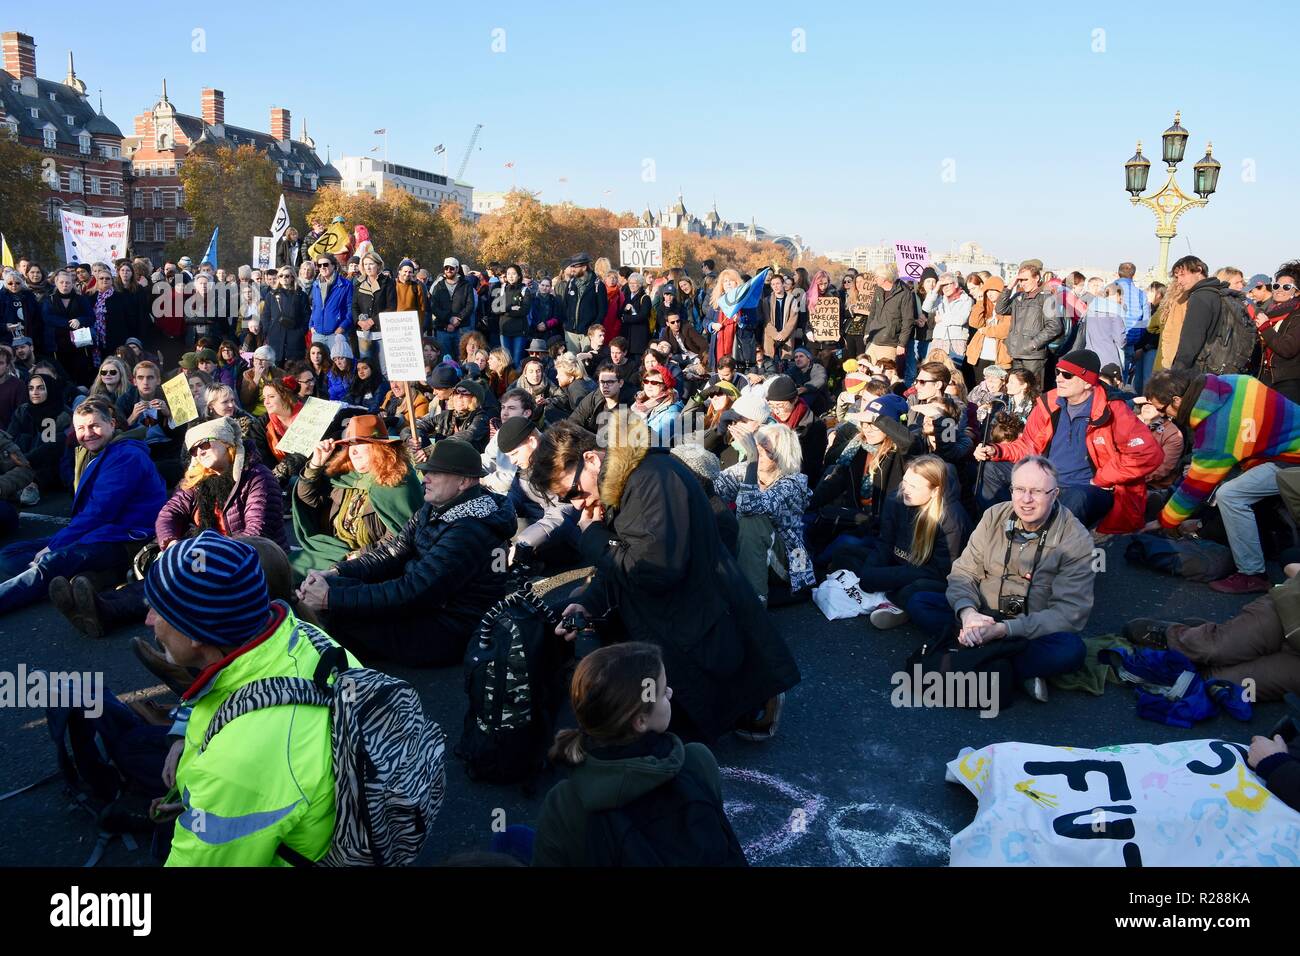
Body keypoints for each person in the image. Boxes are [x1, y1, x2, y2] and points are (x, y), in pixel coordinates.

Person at [533, 414, 801, 742]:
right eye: (565, 499)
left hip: (694, 625)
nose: (576, 504)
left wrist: (592, 537)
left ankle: (760, 698)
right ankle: (754, 698)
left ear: (591, 459)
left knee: (676, 729)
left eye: (573, 491)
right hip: (682, 621)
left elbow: (652, 572)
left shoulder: (647, 481)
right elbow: (622, 565)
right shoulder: (627, 481)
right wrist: (587, 603)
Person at [141, 532, 362, 866]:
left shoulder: (237, 762)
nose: (148, 621)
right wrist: (198, 803)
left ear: (197, 634)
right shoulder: (304, 635)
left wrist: (212, 806)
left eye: (158, 611)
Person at [296, 438, 514, 667]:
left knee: (340, 616)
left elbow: (415, 590)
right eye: (427, 471)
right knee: (335, 588)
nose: (425, 477)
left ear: (463, 482)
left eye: (436, 473)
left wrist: (331, 598)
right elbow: (393, 552)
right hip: (427, 606)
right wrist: (335, 572)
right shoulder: (436, 506)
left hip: (449, 629)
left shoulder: (468, 529)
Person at [532, 642, 743, 867]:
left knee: (513, 837)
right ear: (640, 721)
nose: (670, 693)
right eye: (662, 692)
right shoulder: (697, 761)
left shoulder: (564, 804)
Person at [906, 456, 1092, 704]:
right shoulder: (994, 515)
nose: (1026, 500)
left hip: (1028, 626)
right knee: (919, 602)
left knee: (1071, 650)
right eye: (1019, 489)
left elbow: (1070, 612)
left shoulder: (1075, 539)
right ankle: (1012, 669)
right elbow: (964, 571)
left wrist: (1004, 630)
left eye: (1036, 491)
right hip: (983, 613)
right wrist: (968, 613)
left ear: (1055, 493)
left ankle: (980, 656)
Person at [1142, 368, 1300, 594]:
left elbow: (1197, 485)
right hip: (1283, 449)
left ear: (1177, 401)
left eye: (1163, 410)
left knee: (1231, 494)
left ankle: (1252, 574)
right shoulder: (1235, 382)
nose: (1165, 417)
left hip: (1292, 460)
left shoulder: (1216, 428)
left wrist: (1165, 520)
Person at [0, 399, 165, 615]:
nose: (88, 433)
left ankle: (61, 575)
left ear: (112, 424)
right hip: (96, 532)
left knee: (50, 561)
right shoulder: (95, 453)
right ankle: (84, 574)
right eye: (81, 428)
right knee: (9, 555)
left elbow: (100, 512)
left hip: (125, 538)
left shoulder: (127, 455)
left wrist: (53, 547)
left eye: (94, 425)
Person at [975, 350, 1162, 533]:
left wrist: (1102, 478)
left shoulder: (1112, 409)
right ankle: (1001, 531)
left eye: (1067, 375)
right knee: (991, 469)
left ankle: (1043, 547)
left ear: (1087, 382)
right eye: (1057, 372)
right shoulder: (1049, 404)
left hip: (1089, 488)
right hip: (1045, 479)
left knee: (1076, 498)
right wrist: (996, 450)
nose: (1058, 378)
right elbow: (1028, 446)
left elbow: (1148, 453)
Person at [1125, 561, 1300, 702]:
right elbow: (1291, 566)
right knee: (1213, 648)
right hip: (1289, 612)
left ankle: (1202, 635)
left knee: (1214, 683)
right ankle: (1178, 637)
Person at [832, 454, 971, 628]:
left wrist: (882, 578)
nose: (905, 489)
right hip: (899, 563)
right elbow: (885, 543)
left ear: (935, 490)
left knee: (913, 592)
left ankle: (892, 602)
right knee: (844, 552)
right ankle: (889, 602)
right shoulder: (897, 498)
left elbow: (941, 572)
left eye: (913, 486)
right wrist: (872, 573)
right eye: (905, 482)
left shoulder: (951, 519)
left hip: (929, 575)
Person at [290, 414, 423, 576]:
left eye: (360, 444)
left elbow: (399, 535)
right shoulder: (344, 475)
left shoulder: (399, 483)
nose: (353, 452)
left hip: (374, 561)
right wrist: (315, 465)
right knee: (285, 568)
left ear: (379, 447)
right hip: (332, 551)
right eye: (349, 445)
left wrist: (359, 555)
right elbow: (308, 502)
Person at [712, 423, 814, 607]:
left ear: (782, 455)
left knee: (752, 521)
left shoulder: (794, 484)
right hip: (758, 551)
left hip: (793, 562)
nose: (757, 452)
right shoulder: (745, 470)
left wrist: (752, 459)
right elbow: (713, 488)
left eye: (763, 448)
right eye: (755, 446)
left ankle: (754, 607)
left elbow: (750, 506)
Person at [497, 415, 580, 570]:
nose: (512, 461)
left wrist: (524, 543)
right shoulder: (527, 466)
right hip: (545, 526)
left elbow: (564, 512)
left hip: (573, 535)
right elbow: (514, 499)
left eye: (514, 454)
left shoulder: (559, 462)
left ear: (532, 442)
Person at [996, 262, 1062, 383]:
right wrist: (1009, 287)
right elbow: (1000, 309)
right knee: (1017, 389)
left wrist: (1033, 344)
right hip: (1016, 353)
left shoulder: (1046, 297)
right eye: (1020, 280)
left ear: (1036, 278)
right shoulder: (1018, 296)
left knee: (1033, 391)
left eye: (1025, 279)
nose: (1022, 283)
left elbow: (1055, 326)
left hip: (1033, 356)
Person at [7, 372, 68, 498]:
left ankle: (32, 484)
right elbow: (10, 438)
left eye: (40, 388)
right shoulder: (23, 410)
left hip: (47, 468)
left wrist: (22, 461)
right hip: (21, 461)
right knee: (23, 438)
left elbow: (49, 449)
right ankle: (20, 482)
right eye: (31, 388)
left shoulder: (61, 414)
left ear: (50, 390)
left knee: (47, 438)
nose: (35, 392)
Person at [1167, 255, 1229, 372]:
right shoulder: (1218, 292)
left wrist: (1177, 371)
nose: (1179, 281)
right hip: (1222, 365)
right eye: (1177, 277)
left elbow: (1191, 341)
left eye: (1183, 274)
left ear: (1199, 270)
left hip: (1203, 369)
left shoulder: (1200, 297)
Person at [764, 374, 827, 489]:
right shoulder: (769, 424)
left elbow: (811, 467)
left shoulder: (814, 426)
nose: (776, 411)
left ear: (794, 400)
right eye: (772, 406)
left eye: (780, 405)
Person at [1253, 261, 1300, 404]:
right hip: (1265, 378)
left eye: (1286, 287)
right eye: (1276, 285)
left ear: (1297, 292)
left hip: (1289, 382)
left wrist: (1265, 328)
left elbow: (1288, 348)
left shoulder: (1297, 315)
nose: (1279, 290)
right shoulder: (1270, 313)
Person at [1114, 262, 1152, 390]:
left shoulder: (1110, 289)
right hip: (1131, 341)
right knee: (1124, 375)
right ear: (1133, 275)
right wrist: (1138, 341)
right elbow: (1145, 322)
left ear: (1118, 273)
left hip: (1111, 340)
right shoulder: (1141, 294)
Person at [352, 251, 394, 363]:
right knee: (366, 366)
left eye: (371, 264)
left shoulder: (388, 282)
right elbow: (354, 306)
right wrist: (359, 322)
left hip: (381, 332)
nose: (368, 267)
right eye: (365, 264)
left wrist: (372, 321)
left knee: (384, 368)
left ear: (379, 265)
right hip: (363, 332)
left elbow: (391, 307)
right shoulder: (358, 283)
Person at [430, 257, 475, 357]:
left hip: (462, 328)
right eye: (446, 268)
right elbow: (434, 306)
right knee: (445, 359)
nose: (448, 270)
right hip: (443, 329)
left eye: (451, 268)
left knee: (463, 359)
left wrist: (458, 319)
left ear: (457, 269)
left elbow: (470, 305)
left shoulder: (466, 285)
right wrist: (449, 319)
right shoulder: (438, 286)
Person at [308, 254, 354, 347]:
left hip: (336, 334)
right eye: (319, 265)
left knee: (336, 361)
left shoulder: (346, 285)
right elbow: (315, 306)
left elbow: (351, 309)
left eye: (325, 264)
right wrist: (311, 325)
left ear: (333, 265)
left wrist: (342, 327)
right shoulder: (316, 284)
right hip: (317, 334)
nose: (322, 267)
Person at [1082, 282, 1128, 372]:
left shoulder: (1091, 308)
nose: (1121, 300)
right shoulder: (1116, 312)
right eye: (1121, 297)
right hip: (1110, 360)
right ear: (1117, 295)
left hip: (1090, 357)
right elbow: (1120, 341)